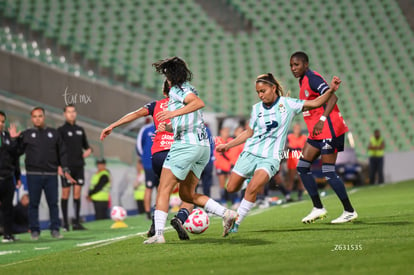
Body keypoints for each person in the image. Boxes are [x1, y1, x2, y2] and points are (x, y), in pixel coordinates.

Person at [216, 72, 342, 232]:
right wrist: (228, 146)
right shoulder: (256, 109)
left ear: (273, 88)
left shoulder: (288, 104)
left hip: (271, 157)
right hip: (250, 153)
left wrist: (331, 90)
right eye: (258, 92)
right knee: (231, 188)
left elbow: (316, 103)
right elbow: (249, 133)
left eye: (263, 91)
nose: (260, 95)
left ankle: (236, 223)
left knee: (252, 188)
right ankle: (248, 181)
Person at [144, 56, 238, 244]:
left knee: (163, 187)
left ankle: (159, 235)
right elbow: (190, 120)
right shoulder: (188, 87)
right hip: (202, 146)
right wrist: (169, 127)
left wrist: (171, 113)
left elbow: (197, 103)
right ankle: (226, 213)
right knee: (187, 195)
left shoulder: (177, 91)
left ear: (170, 76)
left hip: (186, 145)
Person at [100, 80, 194, 241]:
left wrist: (113, 125)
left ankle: (155, 225)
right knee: (189, 194)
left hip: (157, 155)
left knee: (162, 191)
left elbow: (135, 114)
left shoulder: (155, 105)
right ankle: (179, 218)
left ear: (164, 93)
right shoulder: (184, 105)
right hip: (176, 152)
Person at [290, 51, 357, 224]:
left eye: (296, 64)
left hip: (329, 129)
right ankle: (318, 208)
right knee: (302, 167)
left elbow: (332, 97)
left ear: (306, 64)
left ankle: (349, 211)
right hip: (317, 133)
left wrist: (322, 119)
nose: (293, 68)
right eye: (291, 65)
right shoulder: (303, 81)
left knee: (328, 171)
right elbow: (313, 104)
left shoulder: (312, 78)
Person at [14, 107, 75, 240]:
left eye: (40, 116)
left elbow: (62, 152)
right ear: (31, 118)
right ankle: (35, 231)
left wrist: (64, 168)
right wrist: (14, 140)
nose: (37, 119)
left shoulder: (54, 133)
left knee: (53, 203)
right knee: (33, 204)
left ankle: (55, 229)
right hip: (33, 174)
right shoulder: (26, 134)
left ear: (44, 117)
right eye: (35, 116)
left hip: (51, 174)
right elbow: (16, 152)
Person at [58, 104, 92, 231]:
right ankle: (65, 223)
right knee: (65, 193)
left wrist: (89, 150)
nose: (71, 114)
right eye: (69, 112)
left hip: (79, 166)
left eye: (73, 111)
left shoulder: (80, 129)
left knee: (77, 194)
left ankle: (76, 223)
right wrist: (59, 166)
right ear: (64, 114)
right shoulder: (60, 130)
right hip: (66, 167)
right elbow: (56, 150)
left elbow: (87, 146)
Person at [0, 111, 22, 242]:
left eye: (2, 121)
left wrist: (15, 139)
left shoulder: (8, 137)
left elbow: (16, 156)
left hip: (8, 178)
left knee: (8, 208)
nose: (1, 124)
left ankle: (8, 234)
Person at [136, 119, 158, 220]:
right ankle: (148, 213)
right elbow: (139, 146)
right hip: (149, 164)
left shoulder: (166, 127)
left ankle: (160, 211)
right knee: (149, 187)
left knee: (161, 188)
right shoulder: (145, 129)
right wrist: (145, 158)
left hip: (161, 163)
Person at [285, 123, 307, 201]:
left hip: (300, 159)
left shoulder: (303, 137)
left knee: (301, 178)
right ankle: (287, 195)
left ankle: (300, 195)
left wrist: (294, 147)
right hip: (292, 159)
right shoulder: (289, 137)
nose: (297, 130)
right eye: (296, 128)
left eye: (298, 128)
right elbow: (288, 146)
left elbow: (304, 147)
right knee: (290, 178)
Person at [214, 127, 234, 205]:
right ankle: (223, 201)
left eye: (228, 131)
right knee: (222, 185)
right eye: (225, 131)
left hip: (229, 166)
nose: (227, 133)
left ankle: (233, 200)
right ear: (221, 131)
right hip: (220, 166)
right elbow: (216, 153)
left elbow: (233, 153)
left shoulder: (231, 141)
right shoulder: (217, 140)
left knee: (230, 185)